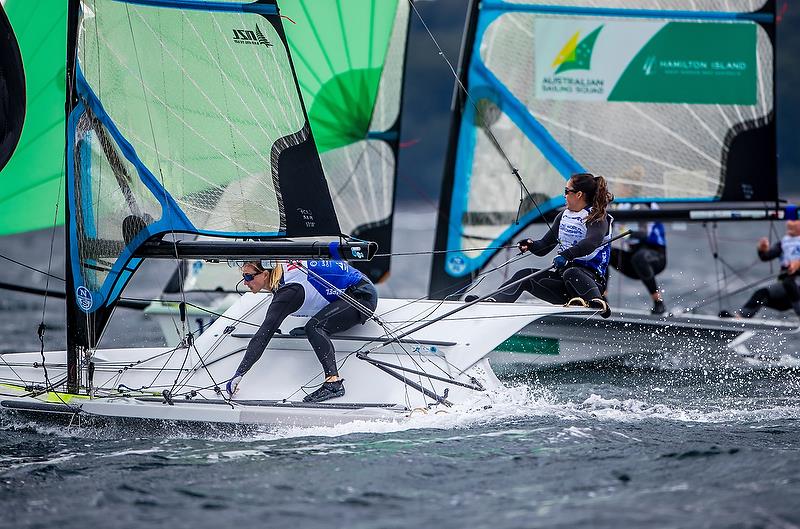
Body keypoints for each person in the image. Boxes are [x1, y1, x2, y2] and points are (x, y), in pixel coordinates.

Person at [226, 258, 378, 403]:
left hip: (361, 297)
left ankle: (334, 383)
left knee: (314, 327)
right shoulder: (283, 269)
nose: (245, 282)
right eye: (244, 277)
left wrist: (239, 373)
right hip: (351, 288)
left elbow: (264, 333)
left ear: (265, 274)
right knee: (310, 327)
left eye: (248, 276)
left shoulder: (289, 291)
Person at [467, 173, 614, 318]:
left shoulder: (597, 217)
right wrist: (530, 244)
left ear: (579, 194)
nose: (564, 195)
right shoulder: (563, 216)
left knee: (572, 272)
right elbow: (544, 246)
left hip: (589, 282)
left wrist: (566, 255)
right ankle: (494, 302)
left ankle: (598, 302)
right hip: (563, 283)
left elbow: (591, 243)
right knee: (524, 275)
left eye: (566, 191)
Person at [719, 213, 800, 322]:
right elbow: (766, 257)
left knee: (789, 283)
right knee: (762, 293)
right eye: (790, 219)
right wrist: (762, 250)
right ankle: (739, 319)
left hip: (795, 289)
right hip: (786, 292)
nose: (791, 222)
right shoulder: (784, 243)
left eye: (795, 220)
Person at [610, 220, 668, 315]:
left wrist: (631, 233)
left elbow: (645, 235)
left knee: (639, 258)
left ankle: (658, 302)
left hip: (655, 257)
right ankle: (601, 299)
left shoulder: (649, 206)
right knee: (606, 252)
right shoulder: (619, 206)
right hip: (633, 260)